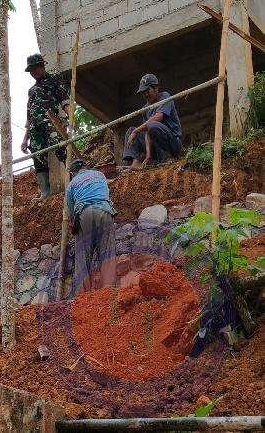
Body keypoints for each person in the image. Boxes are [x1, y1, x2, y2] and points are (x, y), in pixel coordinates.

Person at [21, 53, 71, 199]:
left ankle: (76, 179)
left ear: (42, 66)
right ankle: (45, 192)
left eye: (35, 68)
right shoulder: (32, 91)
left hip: (51, 122)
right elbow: (29, 117)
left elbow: (65, 101)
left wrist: (71, 116)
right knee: (37, 155)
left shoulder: (55, 80)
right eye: (31, 70)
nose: (33, 72)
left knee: (61, 148)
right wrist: (25, 139)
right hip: (35, 128)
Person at [66, 159, 117, 295]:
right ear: (86, 167)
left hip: (84, 214)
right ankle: (109, 291)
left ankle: (83, 295)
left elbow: (71, 211)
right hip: (105, 210)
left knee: (83, 256)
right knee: (107, 253)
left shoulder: (71, 185)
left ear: (72, 173)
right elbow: (105, 193)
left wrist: (73, 225)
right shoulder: (100, 175)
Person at [124, 73, 182, 168]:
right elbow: (147, 131)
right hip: (156, 148)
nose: (145, 94)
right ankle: (136, 161)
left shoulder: (165, 96)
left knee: (152, 125)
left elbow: (158, 117)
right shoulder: (145, 109)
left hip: (172, 144)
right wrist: (148, 155)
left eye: (147, 90)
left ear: (156, 88)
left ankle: (168, 157)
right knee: (131, 130)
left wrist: (136, 131)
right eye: (143, 92)